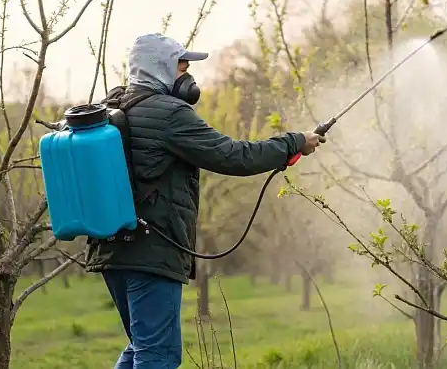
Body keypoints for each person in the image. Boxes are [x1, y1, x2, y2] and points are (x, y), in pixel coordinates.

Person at [84, 33, 324, 369]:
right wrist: (293, 142)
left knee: (143, 347)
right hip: (152, 251)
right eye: (182, 65)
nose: (188, 73)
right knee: (158, 355)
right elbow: (232, 156)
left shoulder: (112, 109)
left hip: (111, 251)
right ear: (161, 68)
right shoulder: (169, 114)